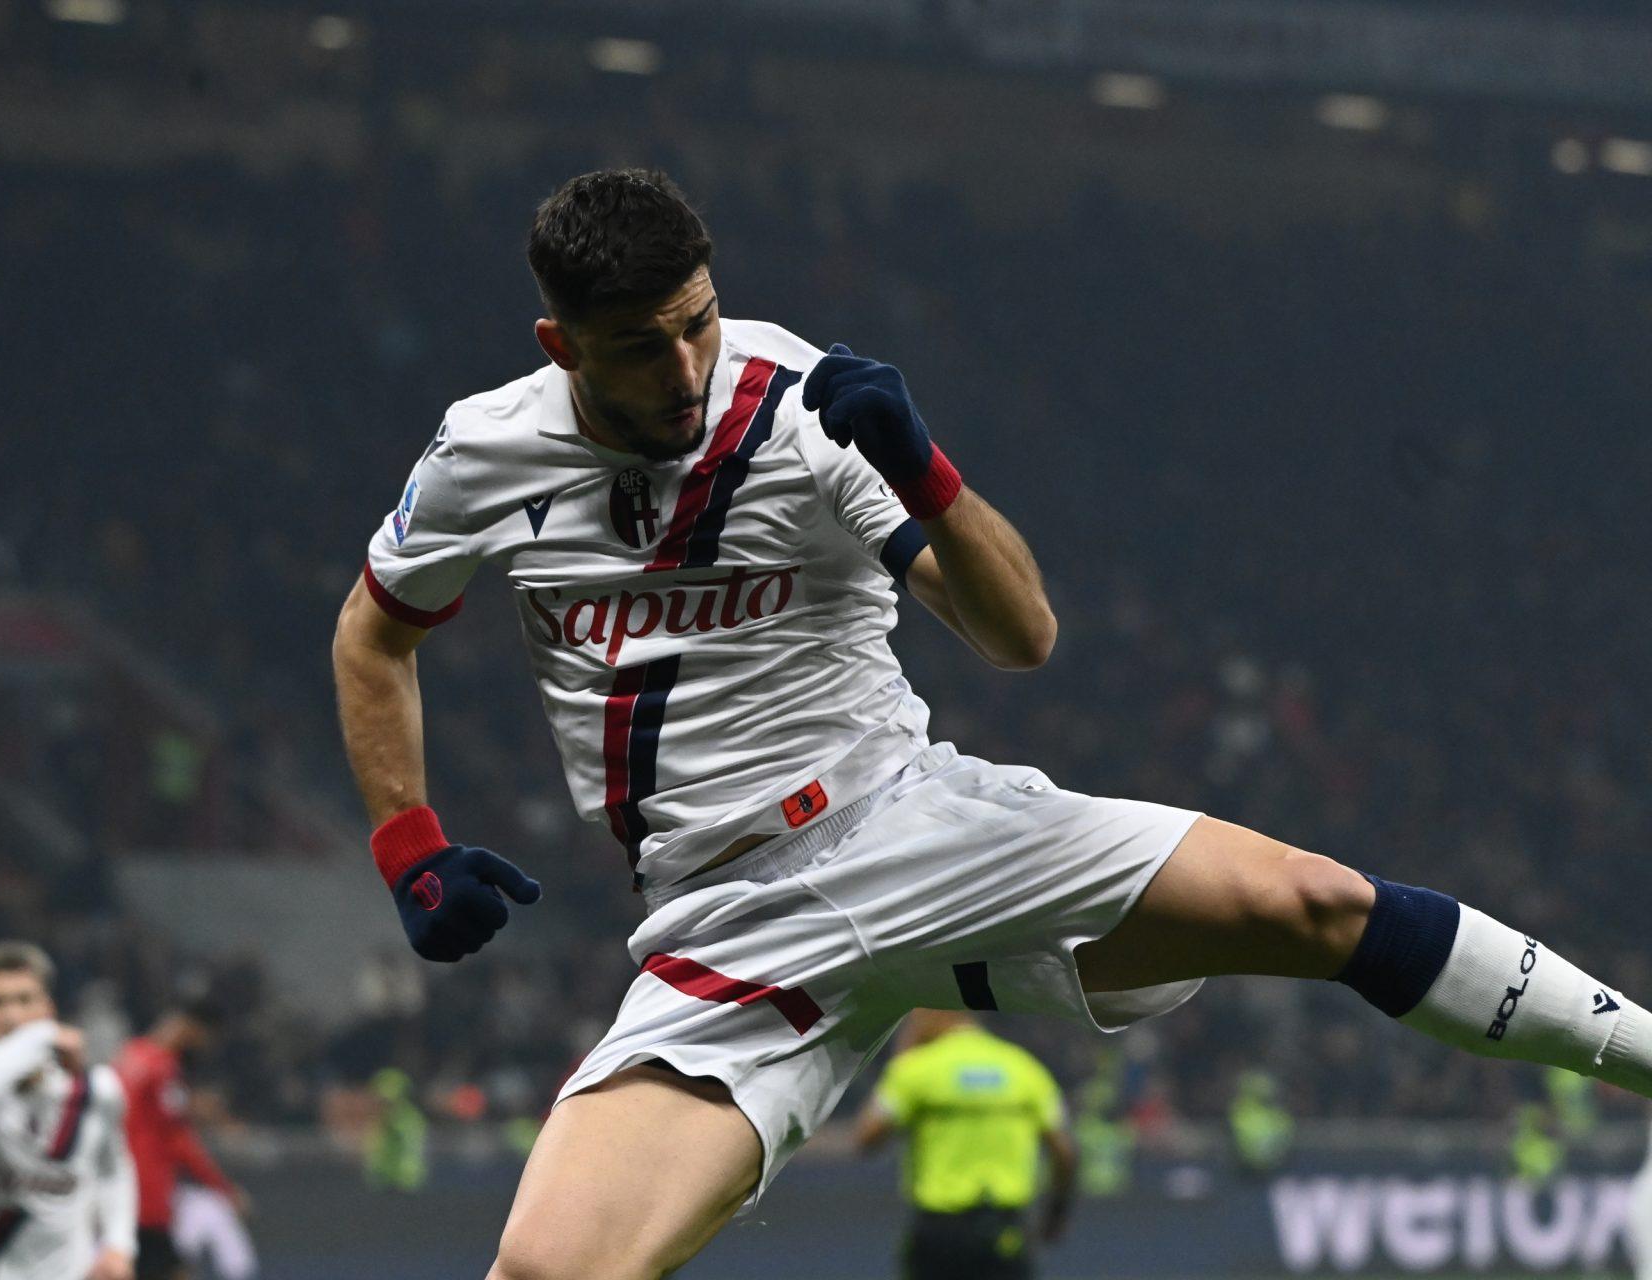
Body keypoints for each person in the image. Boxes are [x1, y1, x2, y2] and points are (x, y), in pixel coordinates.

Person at [329, 167, 1652, 1280]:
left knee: (1317, 904)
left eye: (700, 323)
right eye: (639, 345)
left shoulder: (799, 410)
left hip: (908, 828)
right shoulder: (483, 453)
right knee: (544, 1273)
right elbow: (373, 635)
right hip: (726, 926)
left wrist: (929, 472)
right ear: (560, 345)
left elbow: (1022, 635)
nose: (685, 369)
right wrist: (408, 845)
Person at [0, 942, 136, 1280]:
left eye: (25, 1000)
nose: (12, 1016)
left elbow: (112, 1168)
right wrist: (40, 1038)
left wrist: (118, 1244)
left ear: (48, 1008)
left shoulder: (95, 1090)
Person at [855, 1011, 1076, 1279]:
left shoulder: (918, 1069)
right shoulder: (1024, 1069)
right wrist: (1055, 1215)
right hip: (1004, 1231)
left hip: (940, 1234)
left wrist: (901, 1060)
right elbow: (1064, 1153)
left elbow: (867, 1138)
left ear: (936, 1013)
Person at [114, 1005, 247, 1280]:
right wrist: (222, 1187)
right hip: (146, 1194)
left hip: (119, 1187)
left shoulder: (129, 1055)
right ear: (194, 1030)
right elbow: (179, 1141)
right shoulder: (162, 1069)